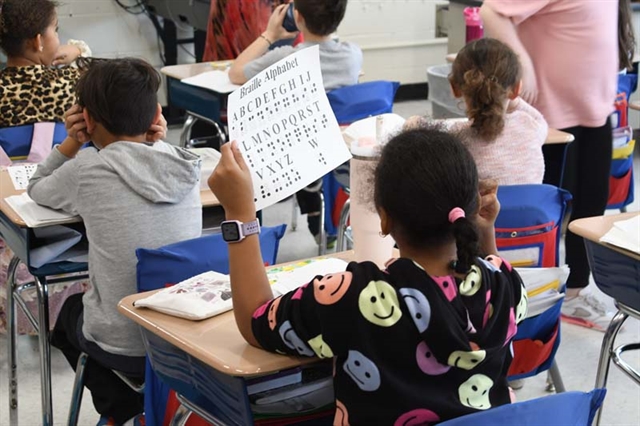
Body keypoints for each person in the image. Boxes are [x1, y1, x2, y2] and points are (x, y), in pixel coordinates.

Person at [208, 128, 528, 424]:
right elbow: (490, 268)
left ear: (384, 220)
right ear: (469, 212)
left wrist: (240, 216)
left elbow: (256, 320)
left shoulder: (352, 295)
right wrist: (484, 232)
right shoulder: (505, 287)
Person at [27, 58, 202, 425]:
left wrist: (71, 144)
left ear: (86, 119)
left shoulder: (87, 169)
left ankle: (120, 410)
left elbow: (37, 188)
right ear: (157, 115)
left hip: (124, 343)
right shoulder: (186, 164)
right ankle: (143, 406)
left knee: (66, 318)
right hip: (189, 338)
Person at [480, 0, 618, 330]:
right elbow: (491, 10)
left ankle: (574, 292)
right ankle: (527, 301)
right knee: (548, 219)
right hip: (554, 119)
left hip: (595, 109)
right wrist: (520, 61)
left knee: (592, 207)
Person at [229, 0, 362, 244]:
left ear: (296, 17)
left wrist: (270, 34)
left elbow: (236, 72)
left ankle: (314, 216)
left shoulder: (287, 57)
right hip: (344, 154)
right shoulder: (353, 55)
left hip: (302, 158)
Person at [408, 38, 547, 185]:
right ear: (517, 88)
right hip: (529, 208)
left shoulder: (456, 138)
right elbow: (540, 119)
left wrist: (413, 123)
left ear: (454, 88)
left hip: (481, 209)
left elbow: (423, 136)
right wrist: (513, 100)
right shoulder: (529, 126)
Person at [0, 0, 92, 127]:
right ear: (38, 42)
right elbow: (88, 67)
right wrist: (78, 50)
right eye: (56, 30)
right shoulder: (72, 83)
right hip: (63, 147)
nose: (57, 36)